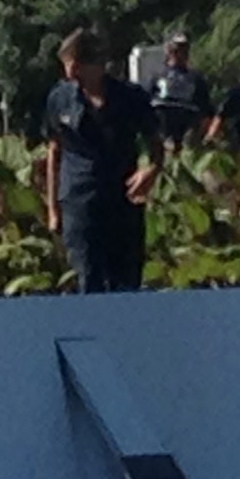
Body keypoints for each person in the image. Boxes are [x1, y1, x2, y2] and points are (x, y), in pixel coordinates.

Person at [43, 27, 163, 294]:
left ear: (93, 65)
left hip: (123, 203)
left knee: (126, 283)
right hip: (79, 204)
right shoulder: (59, 98)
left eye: (74, 66)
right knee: (88, 280)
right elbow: (54, 152)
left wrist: (151, 170)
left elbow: (156, 142)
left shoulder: (130, 98)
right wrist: (53, 209)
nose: (69, 73)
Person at [148, 33, 214, 153]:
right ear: (168, 51)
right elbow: (148, 104)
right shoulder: (158, 75)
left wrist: (200, 135)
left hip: (186, 128)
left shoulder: (195, 78)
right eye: (176, 50)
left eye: (184, 50)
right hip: (163, 127)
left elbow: (206, 111)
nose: (180, 54)